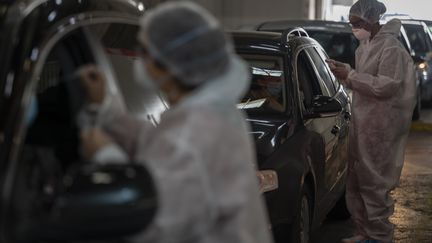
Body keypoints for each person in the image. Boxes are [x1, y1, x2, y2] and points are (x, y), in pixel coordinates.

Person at [78, 2, 274, 243]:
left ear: (168, 66)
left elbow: (154, 223)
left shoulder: (190, 133)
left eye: (146, 53)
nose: (140, 60)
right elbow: (155, 141)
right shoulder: (213, 112)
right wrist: (109, 113)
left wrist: (106, 156)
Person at [326, 0, 416, 243]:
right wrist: (345, 72)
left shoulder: (390, 49)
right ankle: (364, 231)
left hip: (381, 126)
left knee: (374, 183)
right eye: (352, 23)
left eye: (357, 23)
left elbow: (386, 86)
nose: (354, 28)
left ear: (371, 20)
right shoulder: (364, 46)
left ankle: (379, 237)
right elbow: (363, 81)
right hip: (363, 122)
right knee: (357, 181)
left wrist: (351, 75)